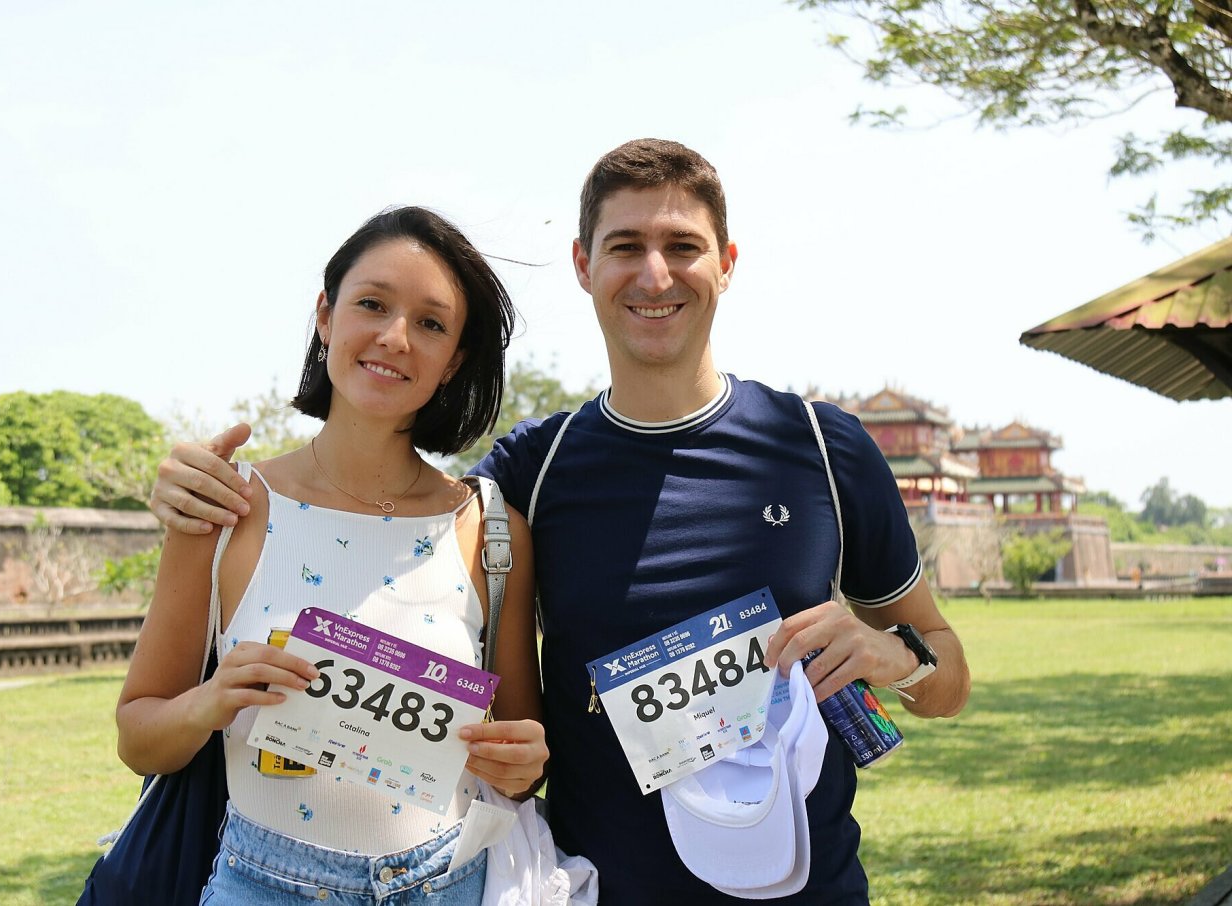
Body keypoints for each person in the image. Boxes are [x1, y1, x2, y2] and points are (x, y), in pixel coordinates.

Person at [148, 140, 971, 904]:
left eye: (682, 246)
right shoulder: (527, 474)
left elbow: (949, 678)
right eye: (625, 247)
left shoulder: (824, 447)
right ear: (584, 265)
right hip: (596, 889)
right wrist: (200, 494)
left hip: (806, 885)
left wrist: (895, 657)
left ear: (726, 263)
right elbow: (387, 513)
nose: (655, 274)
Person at [118, 206, 547, 905]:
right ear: (326, 315)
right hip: (263, 885)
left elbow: (520, 766)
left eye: (432, 324)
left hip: (449, 883)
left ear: (454, 360)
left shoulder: (492, 531)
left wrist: (525, 758)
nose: (394, 338)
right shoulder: (227, 508)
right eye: (372, 304)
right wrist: (209, 703)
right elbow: (138, 736)